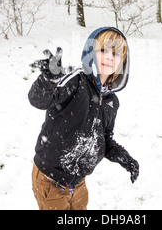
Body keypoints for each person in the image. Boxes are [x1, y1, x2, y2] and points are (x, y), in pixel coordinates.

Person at [28, 27, 139, 210]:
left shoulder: (111, 101)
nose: (110, 57)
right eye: (103, 50)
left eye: (116, 53)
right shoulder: (76, 81)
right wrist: (48, 81)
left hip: (78, 183)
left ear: (122, 62)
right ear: (90, 53)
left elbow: (104, 139)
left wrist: (125, 158)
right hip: (51, 179)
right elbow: (39, 100)